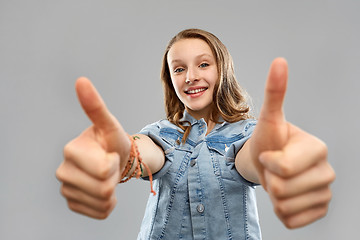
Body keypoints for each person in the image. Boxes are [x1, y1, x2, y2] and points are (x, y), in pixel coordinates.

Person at [56, 29, 335, 239]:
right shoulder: (161, 133)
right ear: (171, 80)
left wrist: (270, 158)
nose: (190, 76)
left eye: (203, 64)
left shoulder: (248, 133)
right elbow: (146, 153)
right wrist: (122, 155)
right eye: (179, 69)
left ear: (222, 70)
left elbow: (250, 160)